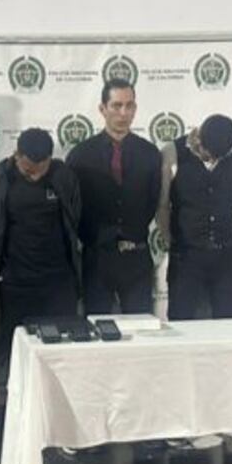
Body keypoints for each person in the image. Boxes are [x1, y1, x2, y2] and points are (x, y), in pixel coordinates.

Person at [0, 129, 82, 380]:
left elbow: (75, 219)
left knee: (64, 353)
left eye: (41, 169)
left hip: (59, 281)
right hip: (16, 281)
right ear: (16, 155)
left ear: (50, 158)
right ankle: (12, 401)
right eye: (28, 170)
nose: (35, 175)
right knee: (14, 353)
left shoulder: (64, 176)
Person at [66, 79, 161, 314]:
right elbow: (73, 208)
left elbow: (152, 201)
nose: (123, 113)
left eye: (129, 106)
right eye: (117, 105)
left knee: (141, 326)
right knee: (96, 325)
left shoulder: (150, 154)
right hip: (97, 257)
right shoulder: (80, 155)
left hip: (137, 255)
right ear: (103, 109)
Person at [155, 115, 232, 322]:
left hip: (227, 256)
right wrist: (172, 240)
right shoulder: (172, 151)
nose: (213, 160)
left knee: (230, 322)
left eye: (219, 157)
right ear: (198, 138)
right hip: (186, 256)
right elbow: (162, 205)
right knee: (181, 320)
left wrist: (229, 231)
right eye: (209, 154)